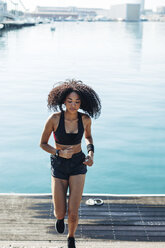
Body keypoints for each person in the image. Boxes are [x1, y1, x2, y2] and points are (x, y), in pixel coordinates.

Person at [40, 79, 101, 248]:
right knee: (60, 211)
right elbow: (43, 143)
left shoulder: (85, 119)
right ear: (63, 101)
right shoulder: (54, 119)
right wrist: (58, 152)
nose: (73, 105)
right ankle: (60, 219)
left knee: (73, 212)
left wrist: (91, 154)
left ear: (82, 102)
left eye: (77, 102)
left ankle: (71, 237)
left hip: (78, 164)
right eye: (70, 101)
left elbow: (88, 137)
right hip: (59, 164)